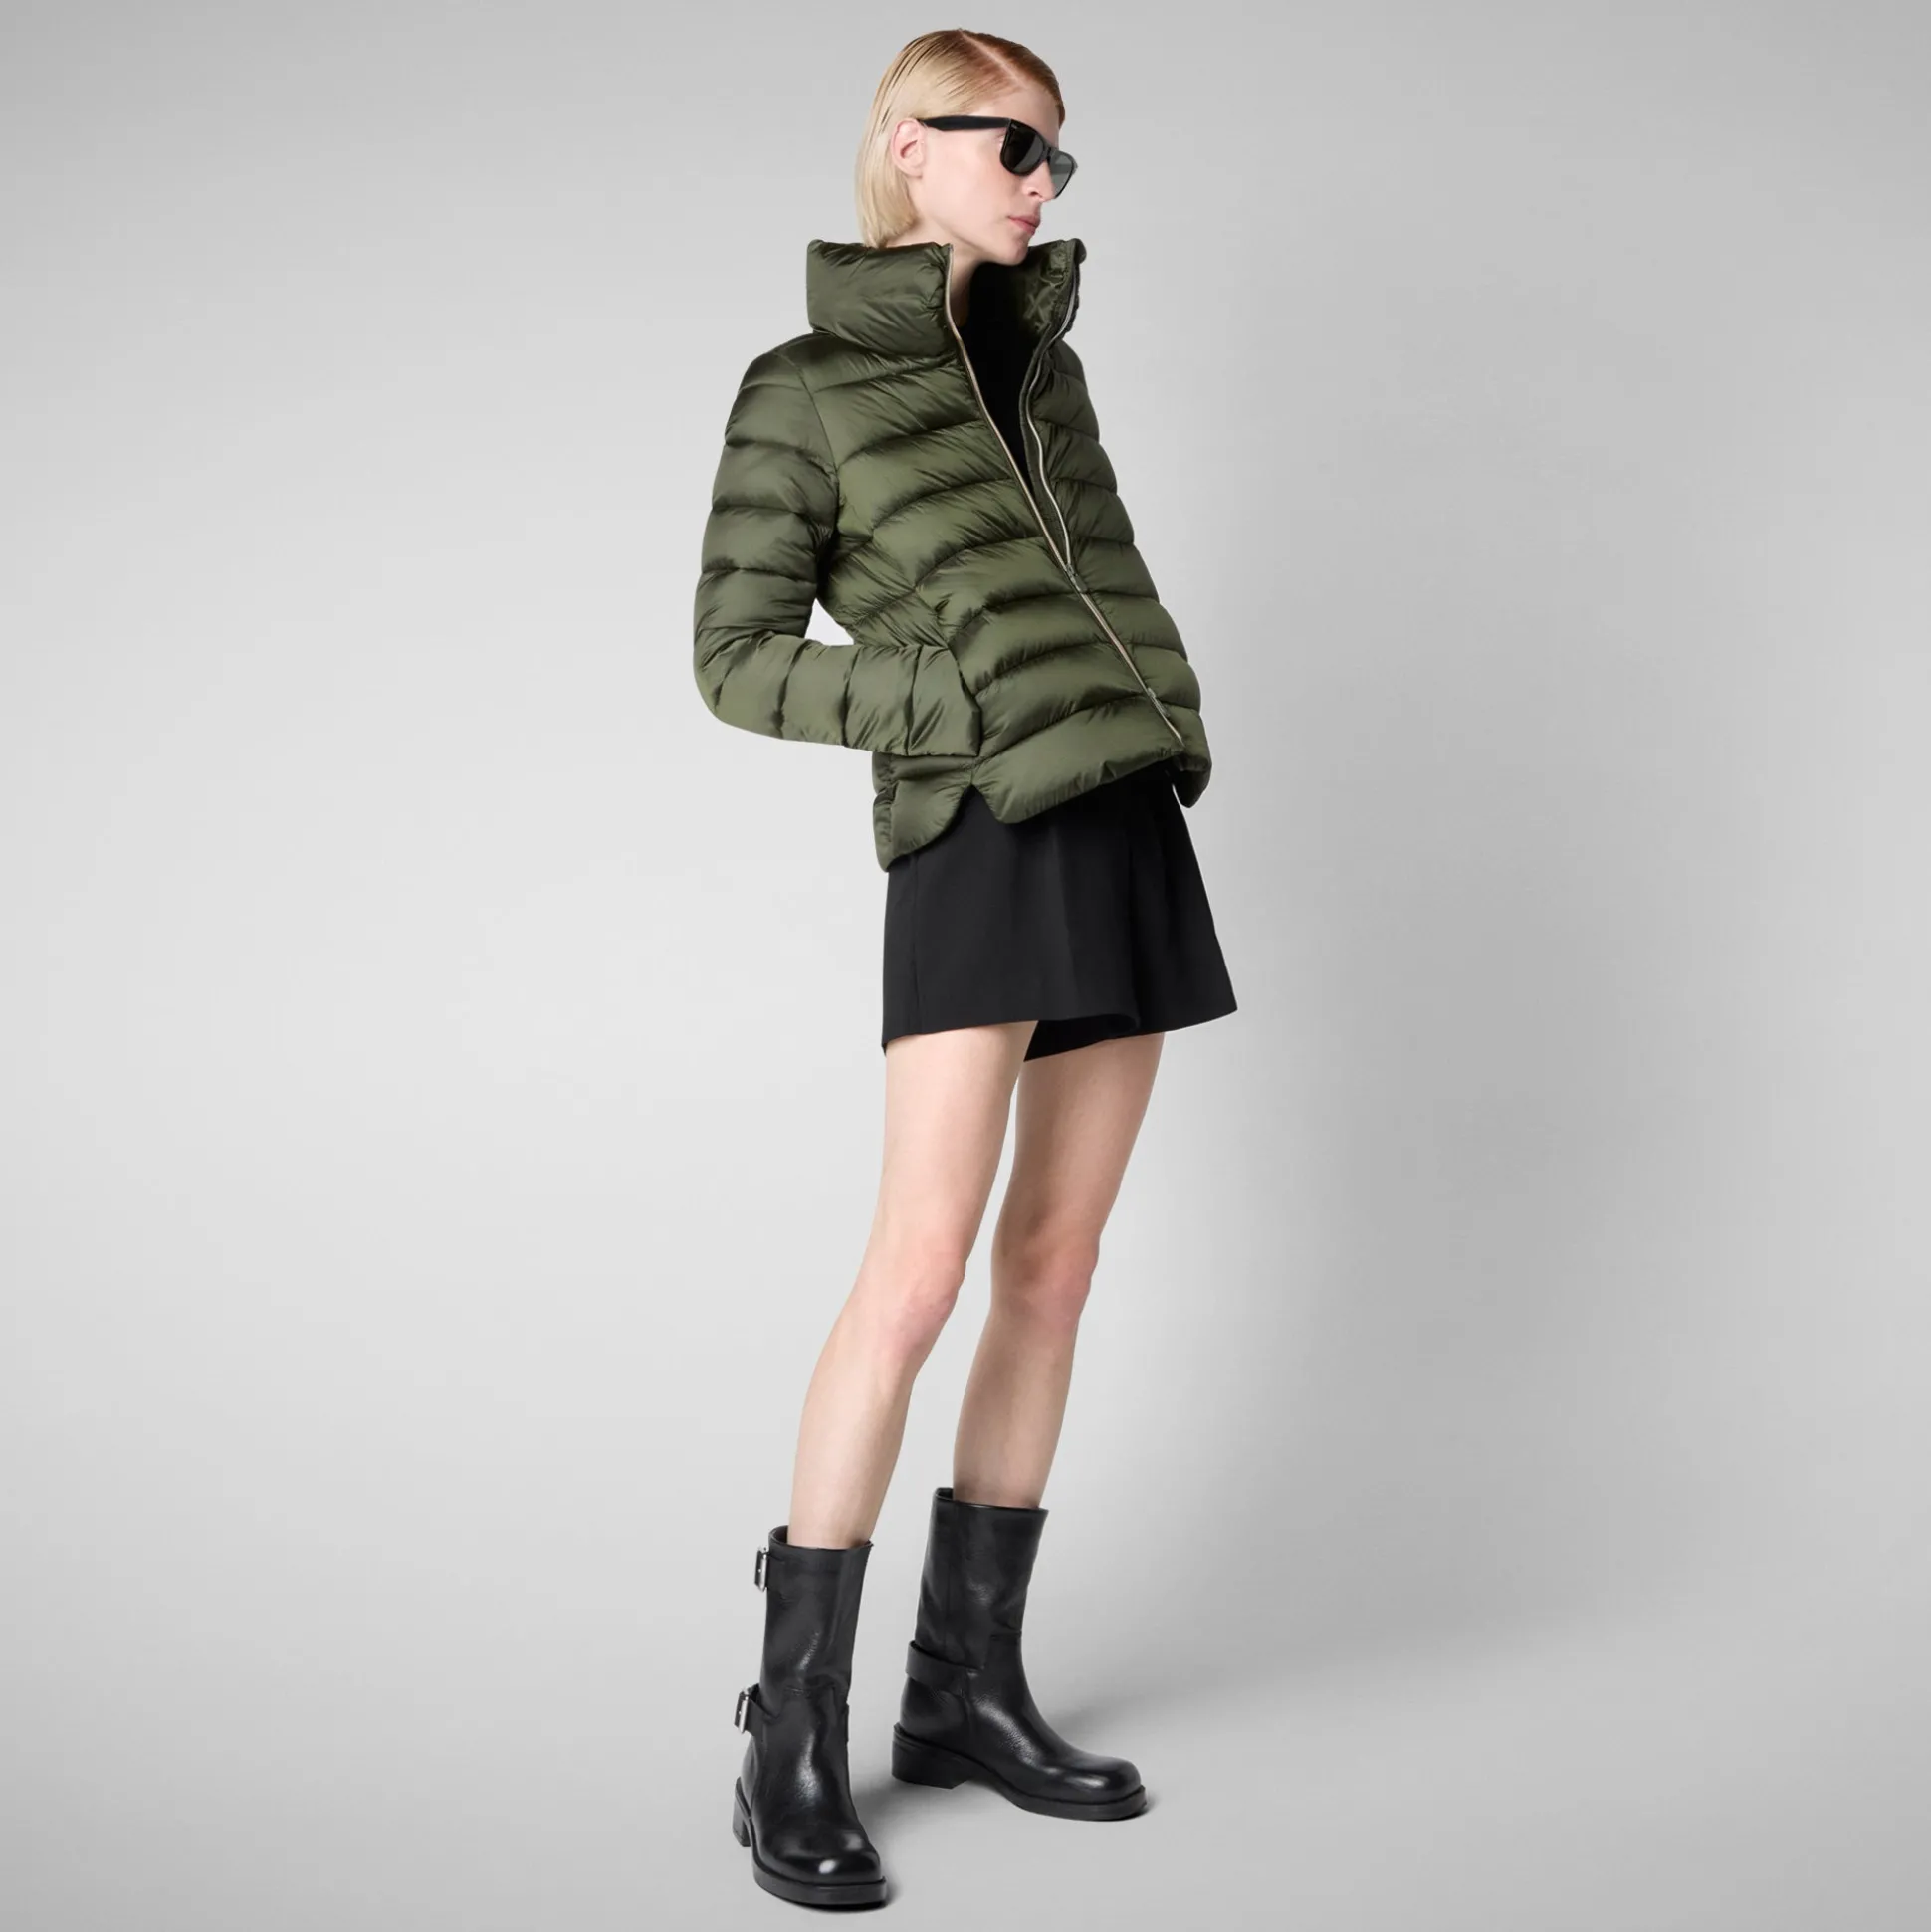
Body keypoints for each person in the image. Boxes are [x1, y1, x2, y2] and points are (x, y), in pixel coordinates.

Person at [694, 29, 1237, 1908]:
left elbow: (1100, 581)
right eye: (1010, 144)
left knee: (1055, 1269)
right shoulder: (803, 388)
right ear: (905, 148)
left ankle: (965, 1692)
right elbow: (736, 656)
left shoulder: (1046, 364)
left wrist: (1162, 725)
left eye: (1056, 156)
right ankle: (788, 1740)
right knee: (918, 1272)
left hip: (1120, 817)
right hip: (982, 828)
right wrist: (953, 702)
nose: (1039, 180)